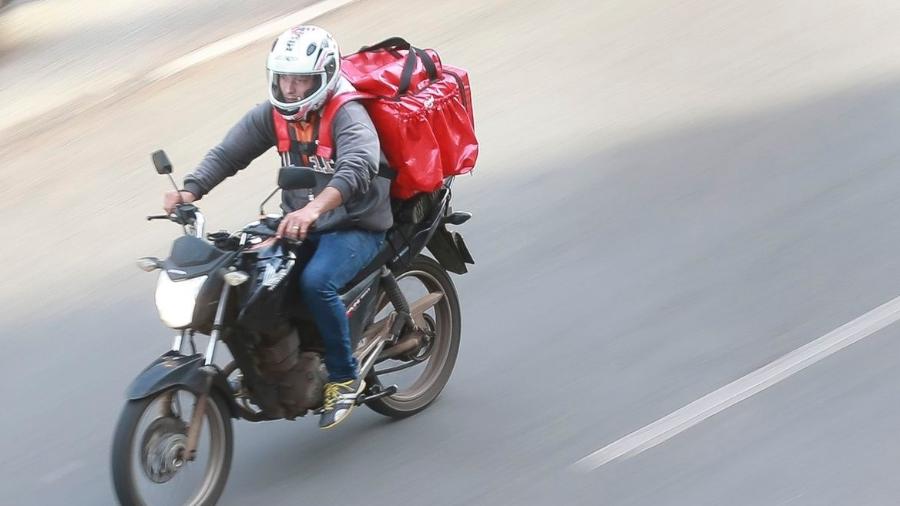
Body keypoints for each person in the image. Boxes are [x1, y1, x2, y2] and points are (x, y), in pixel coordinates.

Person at [162, 25, 393, 429]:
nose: (290, 88)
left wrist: (315, 210)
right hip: (297, 221)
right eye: (284, 78)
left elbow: (358, 167)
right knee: (247, 273)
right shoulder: (274, 114)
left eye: (301, 79)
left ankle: (343, 376)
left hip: (355, 224)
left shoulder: (347, 113)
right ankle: (274, 359)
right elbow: (231, 151)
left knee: (315, 282)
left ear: (322, 78)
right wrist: (190, 191)